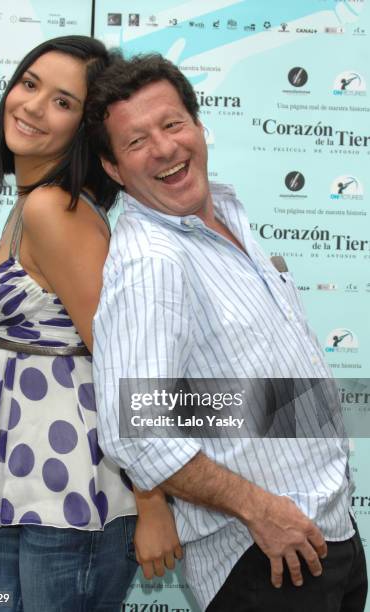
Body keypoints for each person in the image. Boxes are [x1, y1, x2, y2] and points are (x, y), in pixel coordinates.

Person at [86, 54, 368, 612]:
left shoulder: (226, 213)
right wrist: (261, 509)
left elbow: (227, 393)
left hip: (324, 529)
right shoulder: (153, 259)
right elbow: (139, 426)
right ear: (114, 168)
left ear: (196, 124)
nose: (165, 149)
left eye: (172, 124)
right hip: (262, 558)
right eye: (137, 141)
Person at [0, 39, 182, 611]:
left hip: (74, 499)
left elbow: (122, 363)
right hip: (11, 484)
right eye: (29, 84)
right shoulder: (31, 201)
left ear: (83, 129)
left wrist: (152, 504)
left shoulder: (55, 209)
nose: (31, 106)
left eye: (61, 101)